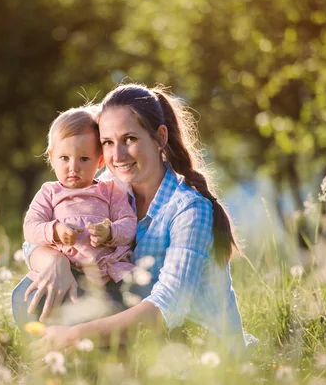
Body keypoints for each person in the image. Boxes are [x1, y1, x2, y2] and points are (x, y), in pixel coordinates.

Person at [21, 83, 249, 355]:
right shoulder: (108, 189)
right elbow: (31, 243)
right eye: (107, 142)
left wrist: (75, 336)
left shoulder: (189, 209)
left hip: (196, 343)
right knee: (32, 293)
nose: (117, 155)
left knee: (82, 324)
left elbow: (167, 308)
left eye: (129, 139)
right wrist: (56, 260)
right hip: (138, 329)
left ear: (160, 137)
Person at [11, 107, 137, 330]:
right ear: (51, 157)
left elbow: (128, 223)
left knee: (109, 315)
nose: (73, 167)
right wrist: (56, 230)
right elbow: (31, 227)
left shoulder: (110, 191)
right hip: (61, 272)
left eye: (84, 158)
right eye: (64, 158)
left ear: (99, 162)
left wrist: (110, 233)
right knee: (32, 303)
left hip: (103, 277)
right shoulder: (49, 192)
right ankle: (43, 354)